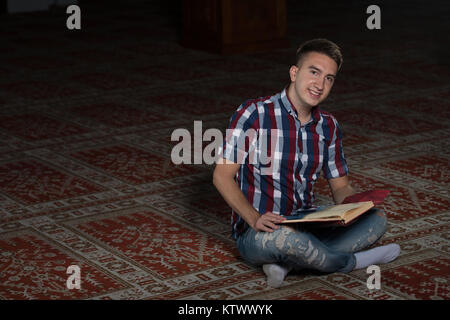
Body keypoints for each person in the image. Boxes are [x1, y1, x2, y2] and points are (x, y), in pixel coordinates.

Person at [213, 39, 400, 288]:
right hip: (260, 232)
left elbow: (341, 187)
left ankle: (288, 263)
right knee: (285, 239)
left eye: (329, 78)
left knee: (377, 219)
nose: (320, 85)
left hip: (307, 224)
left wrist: (353, 207)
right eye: (314, 72)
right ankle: (350, 262)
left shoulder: (329, 126)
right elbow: (221, 176)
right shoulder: (255, 113)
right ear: (294, 72)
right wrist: (254, 217)